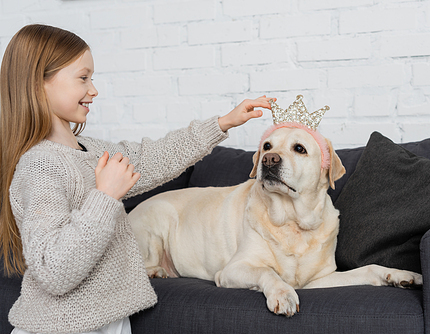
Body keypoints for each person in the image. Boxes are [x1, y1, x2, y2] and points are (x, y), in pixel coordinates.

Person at [0, 24, 274, 334]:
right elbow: (54, 270)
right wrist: (104, 197)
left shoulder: (92, 150)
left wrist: (224, 122)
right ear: (40, 83)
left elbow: (156, 157)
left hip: (108, 321)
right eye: (83, 78)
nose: (93, 90)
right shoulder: (39, 166)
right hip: (61, 328)